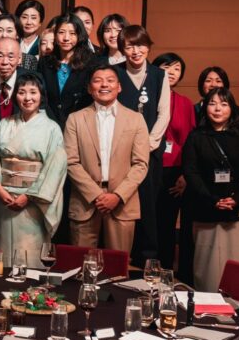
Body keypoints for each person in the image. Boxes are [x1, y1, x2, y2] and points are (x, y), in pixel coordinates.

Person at [0, 72, 65, 266]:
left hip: (34, 201)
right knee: (5, 255)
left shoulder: (52, 129)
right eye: (22, 92)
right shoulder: (4, 124)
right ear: (14, 96)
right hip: (5, 198)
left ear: (41, 95)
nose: (27, 98)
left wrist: (28, 196)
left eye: (33, 92)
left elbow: (54, 168)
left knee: (31, 256)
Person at [64, 67, 151, 253]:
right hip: (85, 201)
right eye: (98, 80)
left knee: (117, 265)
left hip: (122, 202)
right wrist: (96, 195)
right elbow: (71, 162)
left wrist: (117, 196)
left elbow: (141, 164)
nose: (104, 84)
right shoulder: (75, 119)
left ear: (119, 87)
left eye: (110, 80)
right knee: (81, 264)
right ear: (90, 88)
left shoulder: (136, 119)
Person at [183, 88, 239, 292]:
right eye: (212, 104)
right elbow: (191, 173)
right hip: (206, 209)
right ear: (205, 108)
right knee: (209, 268)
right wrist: (213, 200)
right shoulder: (196, 137)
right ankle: (208, 306)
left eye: (224, 104)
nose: (217, 108)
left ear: (232, 108)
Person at [113, 25, 169, 265]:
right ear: (122, 49)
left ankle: (146, 259)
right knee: (122, 202)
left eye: (141, 45)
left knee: (148, 205)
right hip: (119, 152)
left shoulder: (159, 75)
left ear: (148, 46)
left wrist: (148, 145)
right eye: (129, 46)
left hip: (149, 152)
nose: (136, 51)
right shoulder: (114, 72)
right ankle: (120, 257)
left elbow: (163, 114)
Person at [154, 52, 197, 281]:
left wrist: (185, 175)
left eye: (177, 68)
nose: (171, 72)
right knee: (146, 224)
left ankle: (166, 275)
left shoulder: (184, 102)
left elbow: (190, 142)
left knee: (167, 225)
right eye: (166, 67)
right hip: (149, 167)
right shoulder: (147, 98)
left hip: (175, 171)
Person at [36, 13, 95, 127]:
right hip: (48, 123)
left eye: (72, 33)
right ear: (55, 34)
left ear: (79, 35)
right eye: (61, 32)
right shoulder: (45, 62)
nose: (66, 38)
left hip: (80, 123)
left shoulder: (90, 62)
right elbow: (41, 95)